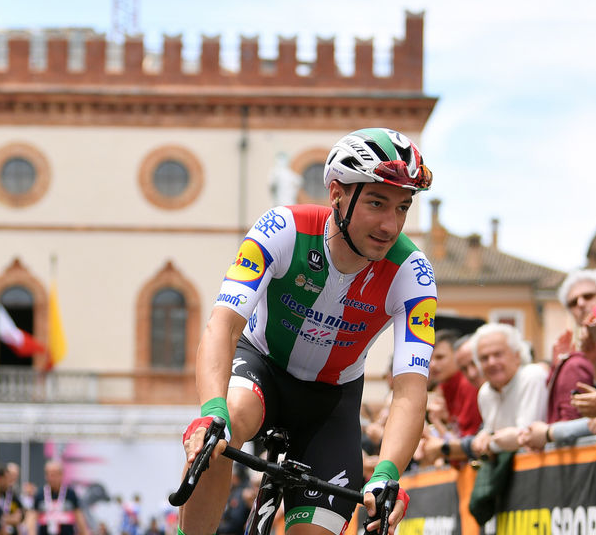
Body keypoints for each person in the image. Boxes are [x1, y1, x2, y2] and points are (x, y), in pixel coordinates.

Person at [181, 128, 434, 535]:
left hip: (330, 403)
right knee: (221, 433)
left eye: (402, 208)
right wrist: (211, 412)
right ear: (337, 193)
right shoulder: (284, 227)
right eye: (376, 203)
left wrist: (387, 472)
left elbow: (409, 386)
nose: (391, 225)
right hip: (262, 367)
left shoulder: (413, 272)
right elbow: (223, 326)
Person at [469, 323, 548, 456]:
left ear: (517, 356)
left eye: (498, 354)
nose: (491, 362)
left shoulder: (532, 376)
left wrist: (489, 442)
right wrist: (483, 436)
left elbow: (524, 436)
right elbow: (491, 430)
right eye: (484, 358)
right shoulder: (485, 392)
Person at [26, 461, 90, 535]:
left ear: (61, 475)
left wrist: (84, 532)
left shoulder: (70, 494)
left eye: (54, 475)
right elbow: (32, 518)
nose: (51, 478)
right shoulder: (40, 494)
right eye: (48, 475)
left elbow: (79, 518)